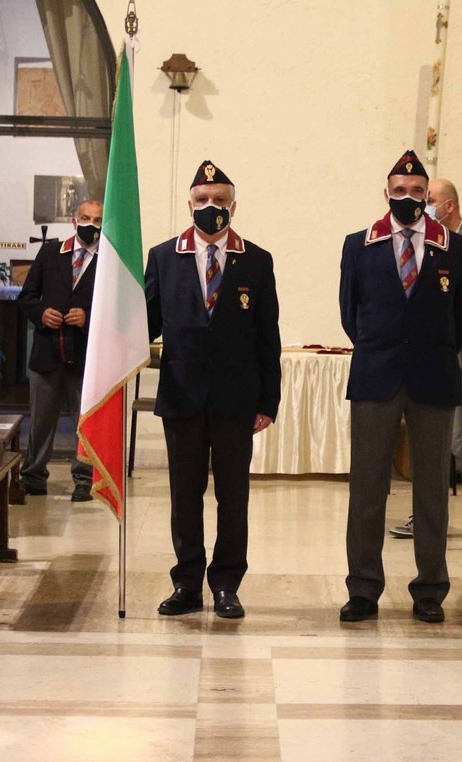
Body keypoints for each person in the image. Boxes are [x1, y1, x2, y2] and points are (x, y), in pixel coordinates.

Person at [338, 150, 462, 624]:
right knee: (367, 486)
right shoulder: (360, 245)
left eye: (418, 192)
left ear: (428, 197)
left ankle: (430, 589)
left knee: (433, 488)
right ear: (386, 194)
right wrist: (384, 348)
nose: (409, 198)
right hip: (376, 376)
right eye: (400, 191)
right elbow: (350, 314)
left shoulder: (454, 249)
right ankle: (363, 588)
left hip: (433, 378)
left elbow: (460, 319)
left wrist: (426, 351)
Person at [145, 160, 281, 619]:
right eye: (202, 200)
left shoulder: (256, 261)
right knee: (184, 496)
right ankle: (186, 583)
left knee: (232, 495)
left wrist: (269, 401)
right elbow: (144, 322)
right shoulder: (164, 257)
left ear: (234, 206)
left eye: (219, 201)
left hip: (235, 400)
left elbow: (268, 337)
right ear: (189, 205)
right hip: (182, 397)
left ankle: (226, 584)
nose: (211, 208)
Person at [389, 178, 462, 545]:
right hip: (426, 356)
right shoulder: (424, 242)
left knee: (461, 442)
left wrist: (451, 312)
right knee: (427, 441)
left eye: (431, 199)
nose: (424, 205)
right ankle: (424, 516)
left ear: (449, 206)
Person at [17, 199, 102, 501]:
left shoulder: (109, 261)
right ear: (74, 220)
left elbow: (119, 310)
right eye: (85, 218)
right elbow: (26, 296)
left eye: (97, 220)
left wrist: (87, 317)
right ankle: (34, 476)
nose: (90, 224)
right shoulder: (52, 252)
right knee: (40, 419)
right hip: (48, 352)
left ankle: (84, 478)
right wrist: (41, 313)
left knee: (85, 422)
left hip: (85, 358)